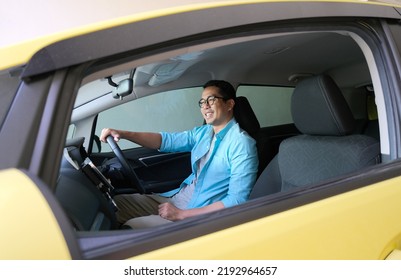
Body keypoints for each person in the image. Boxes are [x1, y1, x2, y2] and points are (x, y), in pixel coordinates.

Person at [100, 80, 258, 228]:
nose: (205, 106)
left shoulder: (241, 144)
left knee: (134, 227)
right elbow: (166, 141)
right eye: (202, 102)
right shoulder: (204, 133)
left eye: (211, 100)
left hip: (196, 215)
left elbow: (237, 199)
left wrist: (182, 215)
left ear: (229, 104)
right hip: (175, 199)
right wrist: (123, 133)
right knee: (114, 204)